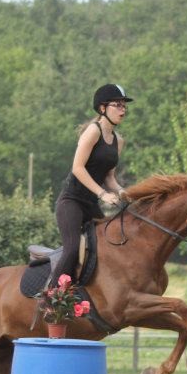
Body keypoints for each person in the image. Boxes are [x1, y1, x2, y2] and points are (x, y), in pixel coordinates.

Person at [49, 83, 133, 287]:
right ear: (102, 108)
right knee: (71, 249)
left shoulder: (118, 141)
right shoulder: (92, 132)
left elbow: (109, 177)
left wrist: (122, 192)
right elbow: (78, 168)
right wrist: (103, 195)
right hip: (71, 201)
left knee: (106, 246)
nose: (123, 110)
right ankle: (51, 297)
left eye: (124, 106)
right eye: (118, 105)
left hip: (90, 204)